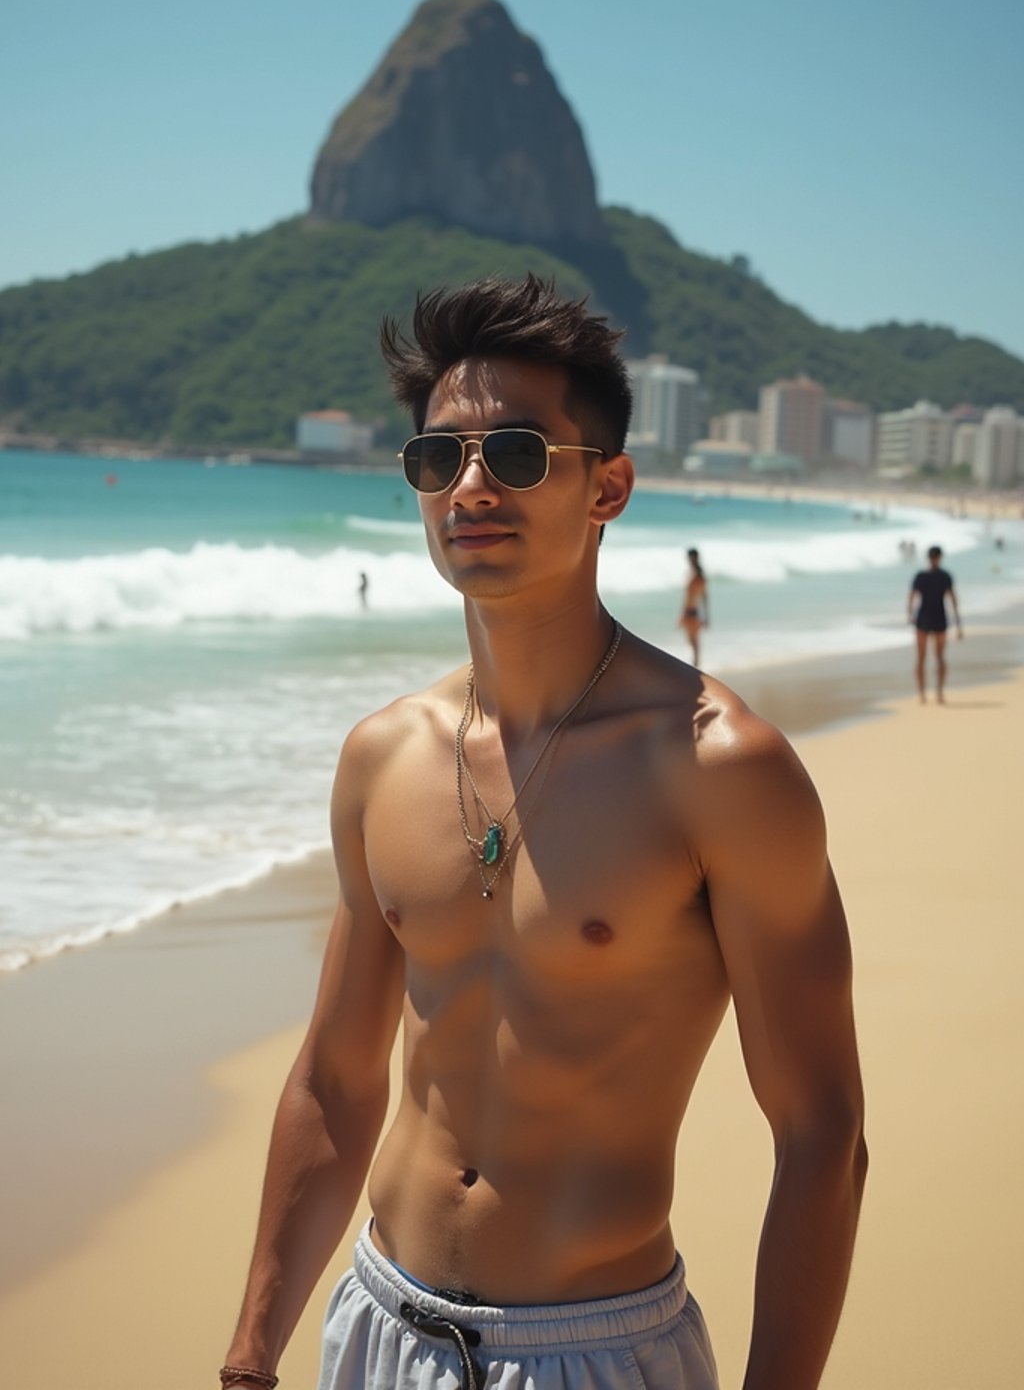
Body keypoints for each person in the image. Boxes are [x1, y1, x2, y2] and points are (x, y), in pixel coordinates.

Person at [222, 276, 866, 1390]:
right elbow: (335, 1079)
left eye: (518, 454)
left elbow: (820, 1133)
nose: (470, 487)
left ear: (607, 486)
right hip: (376, 1329)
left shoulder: (720, 768)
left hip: (595, 1350)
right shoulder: (383, 757)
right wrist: (249, 1355)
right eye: (437, 460)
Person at [908, 545, 963, 704]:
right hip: (932, 618)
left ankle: (930, 693)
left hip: (929, 618)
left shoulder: (926, 576)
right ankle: (929, 693)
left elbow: (912, 597)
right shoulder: (941, 576)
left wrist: (910, 614)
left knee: (929, 657)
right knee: (931, 657)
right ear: (939, 557)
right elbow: (953, 599)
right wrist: (958, 623)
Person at [679, 548, 709, 666]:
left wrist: (682, 613)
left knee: (693, 642)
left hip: (690, 612)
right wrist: (706, 616)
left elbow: (693, 597)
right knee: (693, 642)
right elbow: (704, 597)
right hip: (693, 612)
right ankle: (696, 666)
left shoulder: (696, 575)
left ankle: (696, 666)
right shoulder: (698, 574)